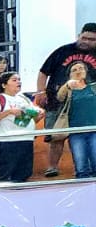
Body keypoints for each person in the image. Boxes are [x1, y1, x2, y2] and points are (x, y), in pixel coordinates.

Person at [36, 23, 96, 177]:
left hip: (87, 103)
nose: (86, 41)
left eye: (91, 39)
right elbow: (43, 72)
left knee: (89, 135)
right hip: (57, 103)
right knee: (56, 136)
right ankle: (52, 166)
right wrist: (41, 91)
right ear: (79, 35)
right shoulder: (63, 51)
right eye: (84, 37)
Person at [0, 72, 40, 184]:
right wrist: (9, 112)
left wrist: (37, 114)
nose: (19, 82)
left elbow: (32, 119)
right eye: (14, 80)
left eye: (19, 79)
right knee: (4, 174)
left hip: (26, 139)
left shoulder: (24, 98)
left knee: (24, 173)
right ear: (4, 85)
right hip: (7, 141)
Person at [58, 61, 96, 179]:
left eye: (81, 68)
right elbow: (59, 97)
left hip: (94, 129)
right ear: (69, 75)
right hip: (76, 132)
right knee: (81, 167)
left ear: (86, 71)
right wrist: (67, 85)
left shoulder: (93, 87)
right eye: (74, 70)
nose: (78, 71)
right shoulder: (68, 90)